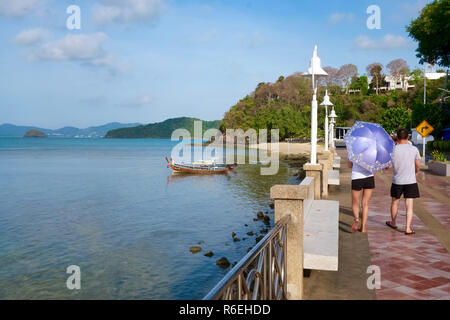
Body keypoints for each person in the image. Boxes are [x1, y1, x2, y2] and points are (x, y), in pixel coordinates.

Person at [386, 128, 421, 235]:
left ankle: (393, 222)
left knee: (395, 202)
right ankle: (408, 228)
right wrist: (416, 172)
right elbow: (418, 165)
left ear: (397, 137)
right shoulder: (414, 149)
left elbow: (389, 166)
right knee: (409, 205)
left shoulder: (393, 150)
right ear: (408, 137)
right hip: (410, 181)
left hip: (397, 181)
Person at [348, 160, 375, 233]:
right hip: (369, 177)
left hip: (356, 178)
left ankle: (356, 219)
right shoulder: (372, 151)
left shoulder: (353, 150)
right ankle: (363, 227)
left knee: (355, 202)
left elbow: (349, 165)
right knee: (365, 204)